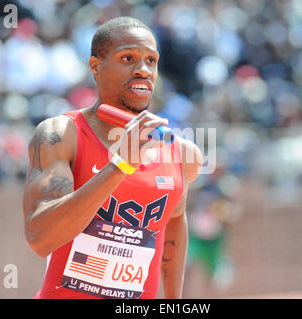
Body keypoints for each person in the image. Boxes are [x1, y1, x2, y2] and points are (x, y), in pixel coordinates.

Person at [22, 16, 203, 299]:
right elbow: (40, 238)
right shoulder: (61, 135)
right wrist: (119, 166)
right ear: (95, 66)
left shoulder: (180, 153)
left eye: (151, 61)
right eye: (128, 58)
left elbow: (174, 222)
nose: (143, 70)